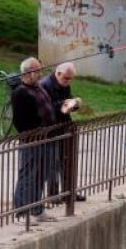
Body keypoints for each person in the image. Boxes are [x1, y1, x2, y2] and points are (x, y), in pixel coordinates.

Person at [10, 57, 59, 222]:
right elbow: (19, 121)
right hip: (33, 141)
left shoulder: (38, 87)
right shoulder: (20, 92)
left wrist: (62, 106)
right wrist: (34, 133)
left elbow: (48, 107)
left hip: (47, 138)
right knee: (29, 176)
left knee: (41, 175)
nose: (41, 73)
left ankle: (36, 209)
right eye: (38, 70)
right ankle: (22, 212)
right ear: (28, 73)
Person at [40, 62, 85, 201]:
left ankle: (69, 192)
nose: (68, 81)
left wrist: (74, 104)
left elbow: (67, 101)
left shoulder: (65, 84)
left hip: (65, 126)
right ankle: (53, 195)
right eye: (66, 78)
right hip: (51, 128)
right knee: (53, 162)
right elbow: (46, 109)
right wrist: (64, 105)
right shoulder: (45, 85)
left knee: (68, 160)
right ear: (58, 73)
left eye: (71, 78)